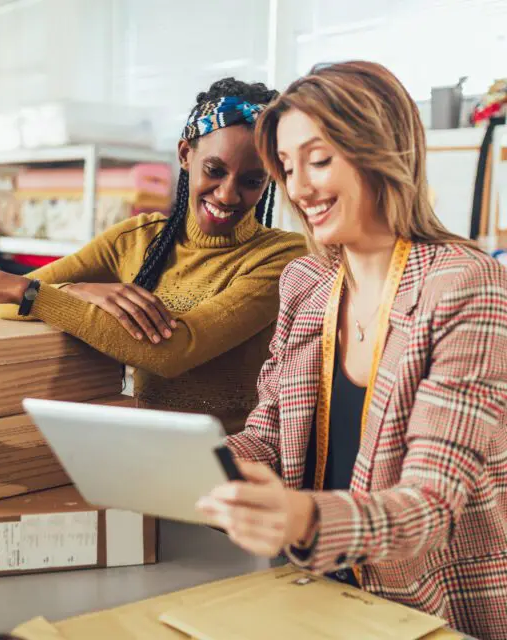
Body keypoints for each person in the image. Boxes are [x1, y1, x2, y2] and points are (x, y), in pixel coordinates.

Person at [196, 61, 507, 638]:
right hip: (314, 593)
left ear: (381, 151)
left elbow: (430, 504)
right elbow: (268, 436)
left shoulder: (466, 285)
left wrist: (303, 518)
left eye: (319, 160)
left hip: (428, 609)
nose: (299, 188)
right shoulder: (305, 283)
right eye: (287, 168)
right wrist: (201, 462)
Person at [0, 78, 307, 434]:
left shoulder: (281, 257)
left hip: (234, 465)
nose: (227, 194)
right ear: (184, 155)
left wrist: (33, 293)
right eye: (214, 170)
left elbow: (174, 351)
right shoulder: (138, 238)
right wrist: (77, 290)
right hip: (142, 454)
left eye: (252, 181)